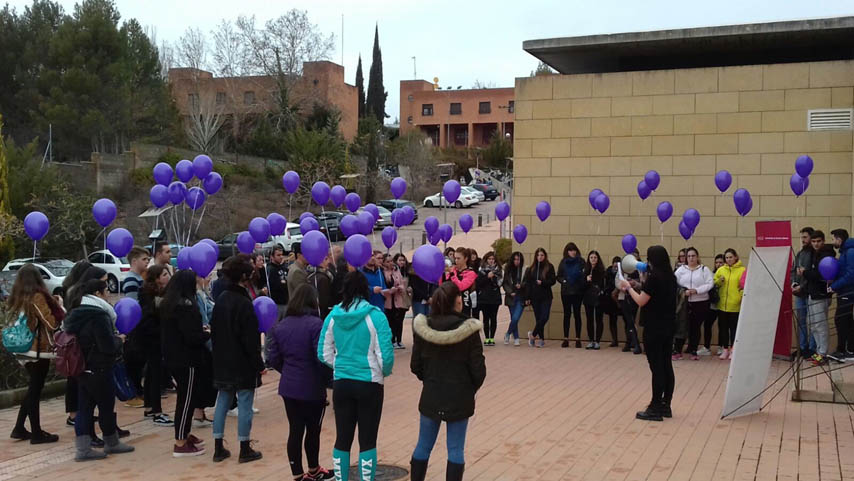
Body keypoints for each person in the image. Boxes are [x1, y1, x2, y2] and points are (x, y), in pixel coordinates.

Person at [318, 271, 393, 481]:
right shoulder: (375, 315)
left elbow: (323, 352)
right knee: (368, 439)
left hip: (342, 382)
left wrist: (340, 365)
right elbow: (385, 354)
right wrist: (382, 372)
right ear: (365, 289)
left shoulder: (332, 316)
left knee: (342, 437)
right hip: (369, 383)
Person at [409, 282, 486, 481]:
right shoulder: (469, 330)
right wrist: (468, 387)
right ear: (458, 301)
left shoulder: (422, 326)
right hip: (459, 396)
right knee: (455, 449)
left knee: (423, 446)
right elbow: (478, 371)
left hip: (431, 394)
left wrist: (431, 379)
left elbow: (415, 366)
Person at [267, 285, 335, 481]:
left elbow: (273, 358)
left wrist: (288, 371)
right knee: (313, 430)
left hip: (289, 386)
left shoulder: (281, 325)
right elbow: (321, 356)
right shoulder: (316, 324)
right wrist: (326, 378)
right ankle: (313, 468)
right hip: (312, 386)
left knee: (295, 430)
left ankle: (297, 474)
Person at [63, 278, 135, 460]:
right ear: (98, 294)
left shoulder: (75, 313)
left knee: (84, 407)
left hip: (81, 367)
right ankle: (112, 442)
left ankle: (83, 449)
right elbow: (107, 346)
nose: (109, 295)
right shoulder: (99, 315)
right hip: (100, 366)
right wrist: (120, 340)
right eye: (106, 291)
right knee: (106, 406)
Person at [210, 255, 265, 463]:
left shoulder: (221, 299)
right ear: (244, 276)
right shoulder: (244, 303)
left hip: (223, 359)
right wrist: (259, 365)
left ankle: (218, 447)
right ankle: (244, 447)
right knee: (244, 403)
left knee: (222, 400)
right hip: (241, 361)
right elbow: (250, 339)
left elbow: (214, 331)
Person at [619, 245, 677, 421]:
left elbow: (641, 301)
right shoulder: (670, 276)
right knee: (666, 365)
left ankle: (655, 406)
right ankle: (666, 404)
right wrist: (640, 284)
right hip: (668, 327)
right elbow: (654, 293)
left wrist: (628, 287)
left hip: (654, 327)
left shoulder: (654, 278)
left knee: (656, 367)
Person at [7, 264, 62, 444]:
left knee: (33, 388)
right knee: (35, 390)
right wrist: (58, 306)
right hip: (36, 350)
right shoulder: (36, 296)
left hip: (21, 347)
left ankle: (19, 428)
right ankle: (36, 433)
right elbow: (51, 323)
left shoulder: (17, 297)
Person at [159, 270, 212, 457]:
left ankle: (185, 433)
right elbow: (192, 337)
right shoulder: (185, 306)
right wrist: (207, 333)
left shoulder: (170, 304)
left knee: (187, 397)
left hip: (174, 357)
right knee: (186, 399)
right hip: (186, 359)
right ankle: (180, 442)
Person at [58, 260, 92, 429]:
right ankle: (74, 414)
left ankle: (76, 413)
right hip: (75, 340)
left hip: (72, 338)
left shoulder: (68, 289)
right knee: (74, 378)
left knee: (75, 377)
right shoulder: (74, 292)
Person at [674, 248, 714, 360]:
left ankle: (693, 350)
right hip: (684, 303)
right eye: (689, 256)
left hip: (700, 302)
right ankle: (677, 350)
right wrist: (683, 292)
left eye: (693, 256)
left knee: (695, 327)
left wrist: (697, 290)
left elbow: (710, 283)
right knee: (681, 326)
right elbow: (674, 283)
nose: (691, 258)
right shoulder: (681, 270)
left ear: (697, 257)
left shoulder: (704, 270)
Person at [802, 231, 835, 366]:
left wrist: (805, 272)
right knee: (813, 324)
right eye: (814, 241)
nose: (816, 244)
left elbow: (820, 275)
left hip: (820, 295)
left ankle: (823, 353)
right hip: (813, 294)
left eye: (818, 241)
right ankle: (819, 351)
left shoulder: (826, 255)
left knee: (820, 325)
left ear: (823, 241)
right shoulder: (816, 254)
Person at [714, 249, 746, 360]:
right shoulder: (721, 270)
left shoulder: (742, 270)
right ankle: (725, 349)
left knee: (733, 329)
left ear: (736, 257)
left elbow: (744, 286)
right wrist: (719, 281)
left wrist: (740, 296)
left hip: (735, 305)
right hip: (722, 305)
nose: (728, 260)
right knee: (723, 329)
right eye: (726, 258)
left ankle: (733, 350)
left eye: (730, 257)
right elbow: (713, 283)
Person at [829, 228, 854, 360]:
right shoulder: (846, 251)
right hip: (845, 291)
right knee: (847, 320)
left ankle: (842, 350)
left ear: (839, 239)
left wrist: (834, 286)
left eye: (833, 239)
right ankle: (849, 350)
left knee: (841, 319)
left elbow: (851, 274)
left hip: (848, 291)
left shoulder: (850, 252)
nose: (832, 241)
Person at [525, 248, 556, 348]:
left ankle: (533, 335)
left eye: (542, 255)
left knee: (544, 316)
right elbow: (528, 284)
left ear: (545, 256)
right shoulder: (531, 268)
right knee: (538, 318)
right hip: (535, 297)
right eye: (538, 255)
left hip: (546, 296)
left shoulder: (549, 267)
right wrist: (528, 297)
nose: (540, 257)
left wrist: (543, 283)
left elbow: (553, 280)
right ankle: (541, 339)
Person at [792, 228, 816, 356]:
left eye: (805, 237)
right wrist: (794, 284)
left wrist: (802, 286)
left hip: (810, 293)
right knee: (801, 321)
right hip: (799, 294)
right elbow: (793, 270)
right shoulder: (800, 253)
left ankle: (812, 349)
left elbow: (812, 274)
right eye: (802, 237)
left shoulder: (815, 254)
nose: (803, 240)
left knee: (813, 322)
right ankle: (802, 347)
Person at [557, 243, 585, 348]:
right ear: (567, 252)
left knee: (577, 314)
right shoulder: (563, 262)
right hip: (566, 292)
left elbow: (584, 274)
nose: (572, 252)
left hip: (578, 292)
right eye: (570, 250)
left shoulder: (581, 262)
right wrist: (564, 281)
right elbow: (558, 276)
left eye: (574, 250)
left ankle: (578, 338)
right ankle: (566, 338)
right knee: (567, 314)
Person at [619, 250, 643, 354]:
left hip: (635, 296)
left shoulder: (640, 269)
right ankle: (629, 342)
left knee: (631, 320)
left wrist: (635, 284)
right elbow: (617, 280)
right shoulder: (623, 267)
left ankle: (635, 343)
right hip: (624, 296)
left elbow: (643, 284)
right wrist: (622, 286)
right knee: (627, 320)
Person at [476, 251, 503, 346]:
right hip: (484, 298)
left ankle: (492, 337)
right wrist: (487, 277)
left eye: (493, 259)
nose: (491, 261)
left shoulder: (499, 270)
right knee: (486, 318)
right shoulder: (481, 270)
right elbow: (479, 283)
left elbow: (499, 283)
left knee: (493, 318)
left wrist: (493, 277)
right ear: (486, 260)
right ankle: (487, 337)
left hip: (495, 297)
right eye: (489, 259)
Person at [382, 254, 408, 349]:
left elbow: (401, 282)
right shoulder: (382, 272)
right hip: (388, 299)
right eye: (387, 261)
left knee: (398, 320)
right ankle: (391, 340)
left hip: (397, 298)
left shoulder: (396, 270)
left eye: (391, 261)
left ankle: (398, 340)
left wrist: (400, 288)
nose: (390, 263)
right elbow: (384, 286)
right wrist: (390, 290)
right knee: (389, 321)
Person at [581, 250, 606, 350]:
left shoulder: (601, 271)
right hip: (588, 297)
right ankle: (591, 340)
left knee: (599, 319)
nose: (593, 259)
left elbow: (603, 285)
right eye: (591, 257)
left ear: (598, 259)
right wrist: (586, 280)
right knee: (589, 319)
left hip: (598, 297)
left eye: (595, 257)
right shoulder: (585, 270)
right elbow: (582, 286)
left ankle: (597, 341)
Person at [442, 248, 477, 318]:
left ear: (465, 259)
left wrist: (452, 274)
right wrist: (442, 273)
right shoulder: (453, 269)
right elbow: (443, 285)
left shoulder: (471, 273)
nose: (456, 261)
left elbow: (461, 287)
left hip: (464, 305)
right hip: (450, 304)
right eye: (455, 258)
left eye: (458, 258)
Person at [503, 252, 526, 346]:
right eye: (515, 259)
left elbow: (527, 282)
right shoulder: (508, 270)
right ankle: (516, 337)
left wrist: (521, 286)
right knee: (513, 318)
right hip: (511, 297)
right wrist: (510, 292)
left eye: (518, 259)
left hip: (521, 296)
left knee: (516, 318)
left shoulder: (524, 270)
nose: (517, 261)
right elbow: (505, 283)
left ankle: (508, 333)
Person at [704, 254, 725, 356]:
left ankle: (721, 347)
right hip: (712, 305)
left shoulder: (727, 274)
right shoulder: (711, 274)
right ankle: (706, 347)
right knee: (707, 324)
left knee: (722, 326)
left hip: (723, 305)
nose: (718, 264)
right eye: (716, 262)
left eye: (721, 262)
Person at [308, 255, 335, 319]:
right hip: (322, 314)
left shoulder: (309, 274)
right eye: (325, 259)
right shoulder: (323, 279)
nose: (328, 261)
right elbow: (324, 301)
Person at [267, 246, 290, 320]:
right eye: (278, 255)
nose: (281, 257)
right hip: (277, 303)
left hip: (286, 301)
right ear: (272, 257)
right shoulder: (270, 269)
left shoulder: (284, 267)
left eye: (281, 254)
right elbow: (276, 285)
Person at [604, 257, 622, 347]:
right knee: (612, 320)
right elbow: (607, 284)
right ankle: (614, 339)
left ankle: (630, 340)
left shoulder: (623, 272)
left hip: (621, 297)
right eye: (614, 263)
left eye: (617, 263)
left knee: (627, 320)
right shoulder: (608, 272)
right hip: (611, 299)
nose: (615, 265)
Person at [468, 249, 481, 321]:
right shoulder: (467, 265)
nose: (473, 256)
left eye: (474, 254)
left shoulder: (480, 264)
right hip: (468, 290)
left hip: (477, 290)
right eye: (471, 255)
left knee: (476, 312)